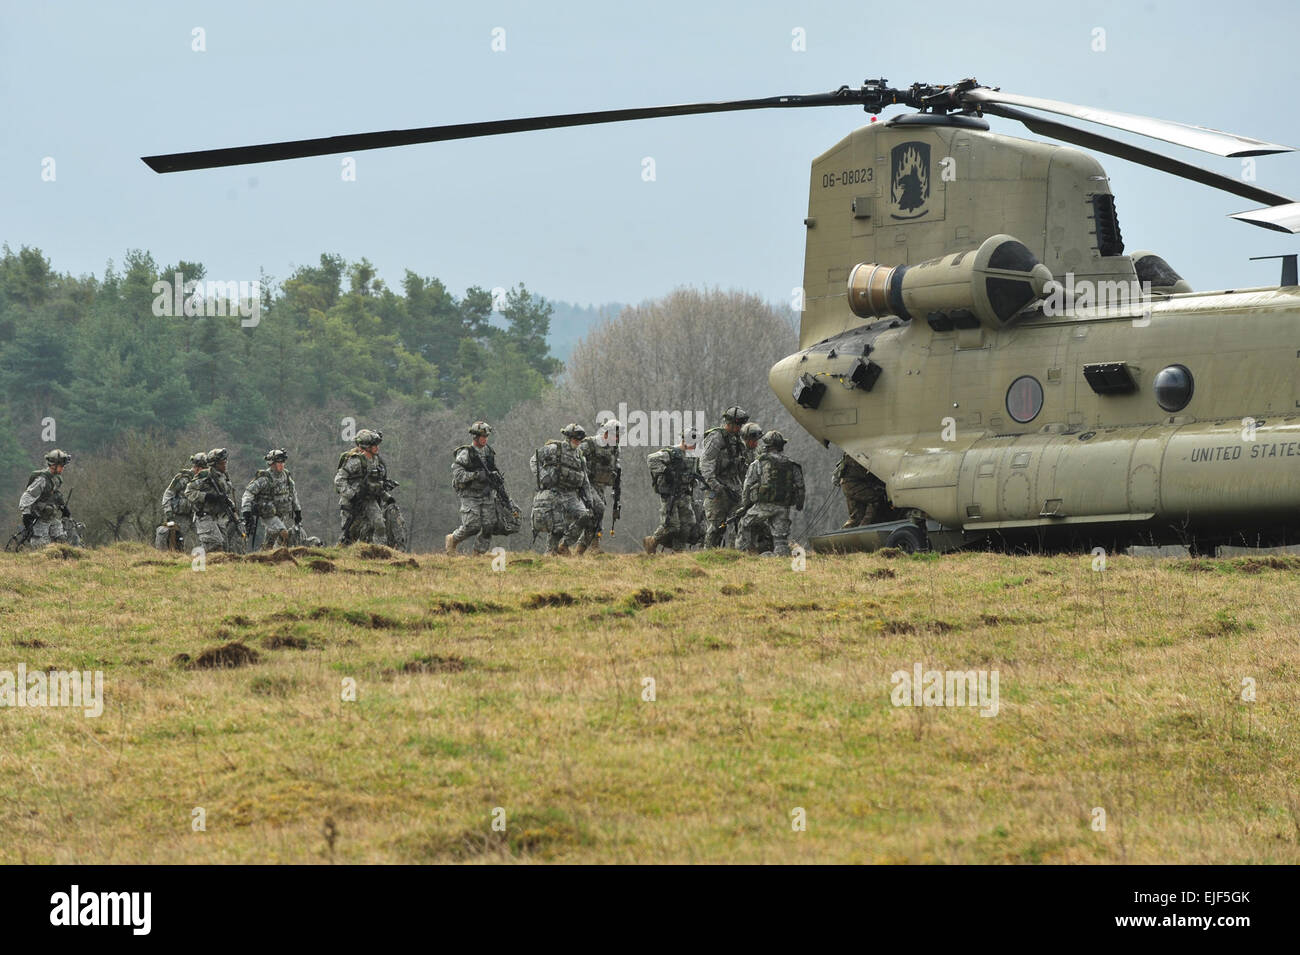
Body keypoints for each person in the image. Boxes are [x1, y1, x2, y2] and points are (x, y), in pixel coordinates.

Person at [447, 421, 511, 556]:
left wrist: (495, 479)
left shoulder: (488, 451)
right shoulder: (466, 453)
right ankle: (453, 539)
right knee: (472, 526)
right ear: (475, 437)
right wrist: (475, 475)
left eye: (486, 436)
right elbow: (457, 474)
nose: (485, 439)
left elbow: (493, 469)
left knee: (489, 526)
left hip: (486, 493)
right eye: (482, 436)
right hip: (470, 494)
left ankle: (478, 554)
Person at [529, 423, 594, 556]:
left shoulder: (580, 456)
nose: (577, 442)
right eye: (575, 439)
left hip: (571, 494)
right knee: (557, 527)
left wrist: (589, 499)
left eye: (579, 440)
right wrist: (543, 476)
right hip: (554, 492)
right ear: (568, 437)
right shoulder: (554, 448)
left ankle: (564, 545)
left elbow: (585, 479)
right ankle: (550, 553)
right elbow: (534, 460)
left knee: (585, 516)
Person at [738, 430, 804, 557]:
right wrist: (799, 504)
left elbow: (747, 486)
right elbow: (800, 487)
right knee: (780, 539)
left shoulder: (758, 463)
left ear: (766, 446)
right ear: (781, 446)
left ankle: (744, 555)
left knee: (745, 523)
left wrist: (745, 505)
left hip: (763, 506)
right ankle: (781, 560)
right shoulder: (792, 464)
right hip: (783, 507)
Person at [643, 430, 702, 554]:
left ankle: (678, 552)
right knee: (672, 525)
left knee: (688, 524)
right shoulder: (672, 453)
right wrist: (666, 471)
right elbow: (651, 459)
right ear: (684, 440)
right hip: (671, 495)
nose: (694, 446)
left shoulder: (693, 456)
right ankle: (652, 541)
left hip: (685, 494)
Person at [699, 406, 750, 547]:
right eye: (738, 424)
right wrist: (715, 485)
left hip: (734, 487)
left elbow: (742, 466)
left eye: (741, 425)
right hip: (717, 488)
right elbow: (706, 463)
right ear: (730, 423)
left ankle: (735, 554)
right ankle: (709, 556)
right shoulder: (716, 437)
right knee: (717, 527)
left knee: (740, 521)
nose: (740, 428)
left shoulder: (738, 441)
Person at [334, 429, 394, 545]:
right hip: (351, 503)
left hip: (369, 500)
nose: (377, 447)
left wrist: (387, 497)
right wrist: (352, 495)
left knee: (380, 525)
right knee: (349, 535)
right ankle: (343, 557)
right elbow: (339, 480)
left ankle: (379, 551)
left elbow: (376, 482)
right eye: (374, 445)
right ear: (366, 447)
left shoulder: (376, 460)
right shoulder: (355, 461)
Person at [184, 448, 246, 553]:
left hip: (218, 518)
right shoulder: (205, 476)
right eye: (222, 463)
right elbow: (189, 492)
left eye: (225, 462)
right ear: (215, 464)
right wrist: (207, 496)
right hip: (205, 517)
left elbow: (224, 494)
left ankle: (208, 565)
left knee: (225, 547)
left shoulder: (224, 476)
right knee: (216, 545)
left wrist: (228, 503)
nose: (224, 465)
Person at [241, 449, 303, 550]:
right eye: (279, 462)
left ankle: (265, 558)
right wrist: (246, 511)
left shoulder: (286, 477)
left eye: (283, 462)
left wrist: (297, 511)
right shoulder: (265, 478)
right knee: (284, 534)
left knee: (270, 542)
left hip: (281, 514)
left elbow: (293, 494)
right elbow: (248, 493)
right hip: (268, 515)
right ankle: (282, 554)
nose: (281, 465)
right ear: (272, 463)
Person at [576, 417, 621, 555]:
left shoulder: (615, 448)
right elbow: (575, 459)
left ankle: (584, 549)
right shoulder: (589, 444)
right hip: (586, 484)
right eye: (615, 435)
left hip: (601, 486)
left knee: (597, 516)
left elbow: (615, 468)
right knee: (597, 510)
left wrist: (616, 489)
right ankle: (575, 544)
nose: (618, 438)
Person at [17, 449, 72, 549]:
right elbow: (27, 497)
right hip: (39, 519)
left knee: (62, 539)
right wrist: (26, 516)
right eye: (61, 466)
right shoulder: (42, 480)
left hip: (51, 517)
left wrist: (63, 507)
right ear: (53, 466)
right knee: (42, 546)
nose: (62, 468)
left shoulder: (57, 478)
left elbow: (55, 494)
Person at [156, 452, 206, 550]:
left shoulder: (204, 480)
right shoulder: (183, 478)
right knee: (178, 539)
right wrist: (168, 511)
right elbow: (168, 493)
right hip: (180, 516)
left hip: (195, 515)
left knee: (199, 539)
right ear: (197, 468)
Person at [833, 453, 891, 526]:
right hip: (853, 484)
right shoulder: (858, 454)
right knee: (875, 498)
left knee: (857, 516)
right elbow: (864, 472)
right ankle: (864, 527)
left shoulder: (852, 452)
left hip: (849, 484)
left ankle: (850, 533)